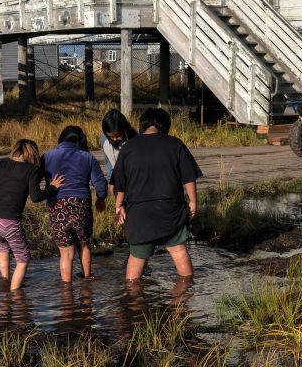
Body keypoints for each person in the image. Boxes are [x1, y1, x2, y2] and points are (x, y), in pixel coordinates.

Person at [112, 107, 202, 281]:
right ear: (164, 126)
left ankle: (132, 298)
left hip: (139, 212)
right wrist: (193, 201)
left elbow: (120, 183)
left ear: (142, 125)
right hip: (170, 208)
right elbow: (189, 177)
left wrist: (119, 206)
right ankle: (184, 294)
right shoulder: (175, 144)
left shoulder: (128, 147)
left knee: (137, 255)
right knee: (178, 250)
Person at [0, 139, 64, 291]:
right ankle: (14, 294)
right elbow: (36, 197)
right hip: (9, 223)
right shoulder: (32, 170)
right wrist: (53, 188)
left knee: (3, 246)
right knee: (23, 259)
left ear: (15, 150)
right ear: (33, 154)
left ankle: (5, 283)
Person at [41, 125, 108, 283]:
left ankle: (66, 289)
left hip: (57, 206)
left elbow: (33, 179)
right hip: (81, 205)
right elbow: (100, 184)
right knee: (84, 244)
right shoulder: (87, 157)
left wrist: (46, 192)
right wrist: (101, 198)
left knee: (66, 253)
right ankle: (87, 279)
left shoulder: (47, 156)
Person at [100, 109, 137, 180]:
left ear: (124, 130)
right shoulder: (104, 138)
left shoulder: (135, 138)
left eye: (118, 136)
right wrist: (111, 180)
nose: (114, 139)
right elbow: (109, 163)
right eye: (111, 136)